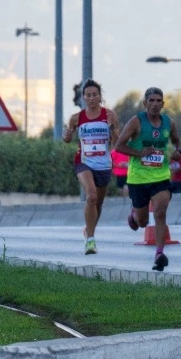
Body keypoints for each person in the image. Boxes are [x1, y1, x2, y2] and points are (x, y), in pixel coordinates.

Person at [114, 88, 181, 272]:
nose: (154, 104)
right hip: (138, 179)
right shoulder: (136, 122)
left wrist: (178, 151)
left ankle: (159, 254)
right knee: (143, 222)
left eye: (158, 100)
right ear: (145, 103)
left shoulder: (169, 123)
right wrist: (139, 153)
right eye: (151, 100)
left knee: (160, 213)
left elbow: (177, 141)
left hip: (161, 177)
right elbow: (119, 145)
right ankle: (134, 215)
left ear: (163, 103)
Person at [62, 79, 119, 254]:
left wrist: (113, 129)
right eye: (88, 95)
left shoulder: (109, 115)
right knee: (91, 196)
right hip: (83, 162)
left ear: (100, 97)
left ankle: (88, 229)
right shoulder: (76, 118)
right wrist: (67, 134)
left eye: (95, 95)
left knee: (98, 203)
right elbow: (67, 139)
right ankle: (91, 240)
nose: (92, 98)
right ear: (83, 98)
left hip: (103, 163)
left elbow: (116, 143)